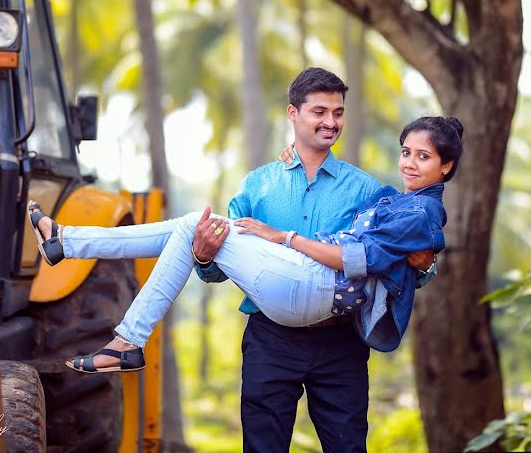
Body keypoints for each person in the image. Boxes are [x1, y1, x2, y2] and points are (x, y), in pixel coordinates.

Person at [27, 115, 461, 433]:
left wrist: (285, 237)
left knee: (346, 444)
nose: (329, 122)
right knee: (190, 230)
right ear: (294, 117)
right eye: (406, 152)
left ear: (445, 167)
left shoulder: (377, 193)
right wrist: (203, 255)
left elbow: (369, 257)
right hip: (274, 331)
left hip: (332, 324)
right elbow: (213, 267)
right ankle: (72, 253)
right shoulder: (267, 183)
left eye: (338, 113)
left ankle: (85, 272)